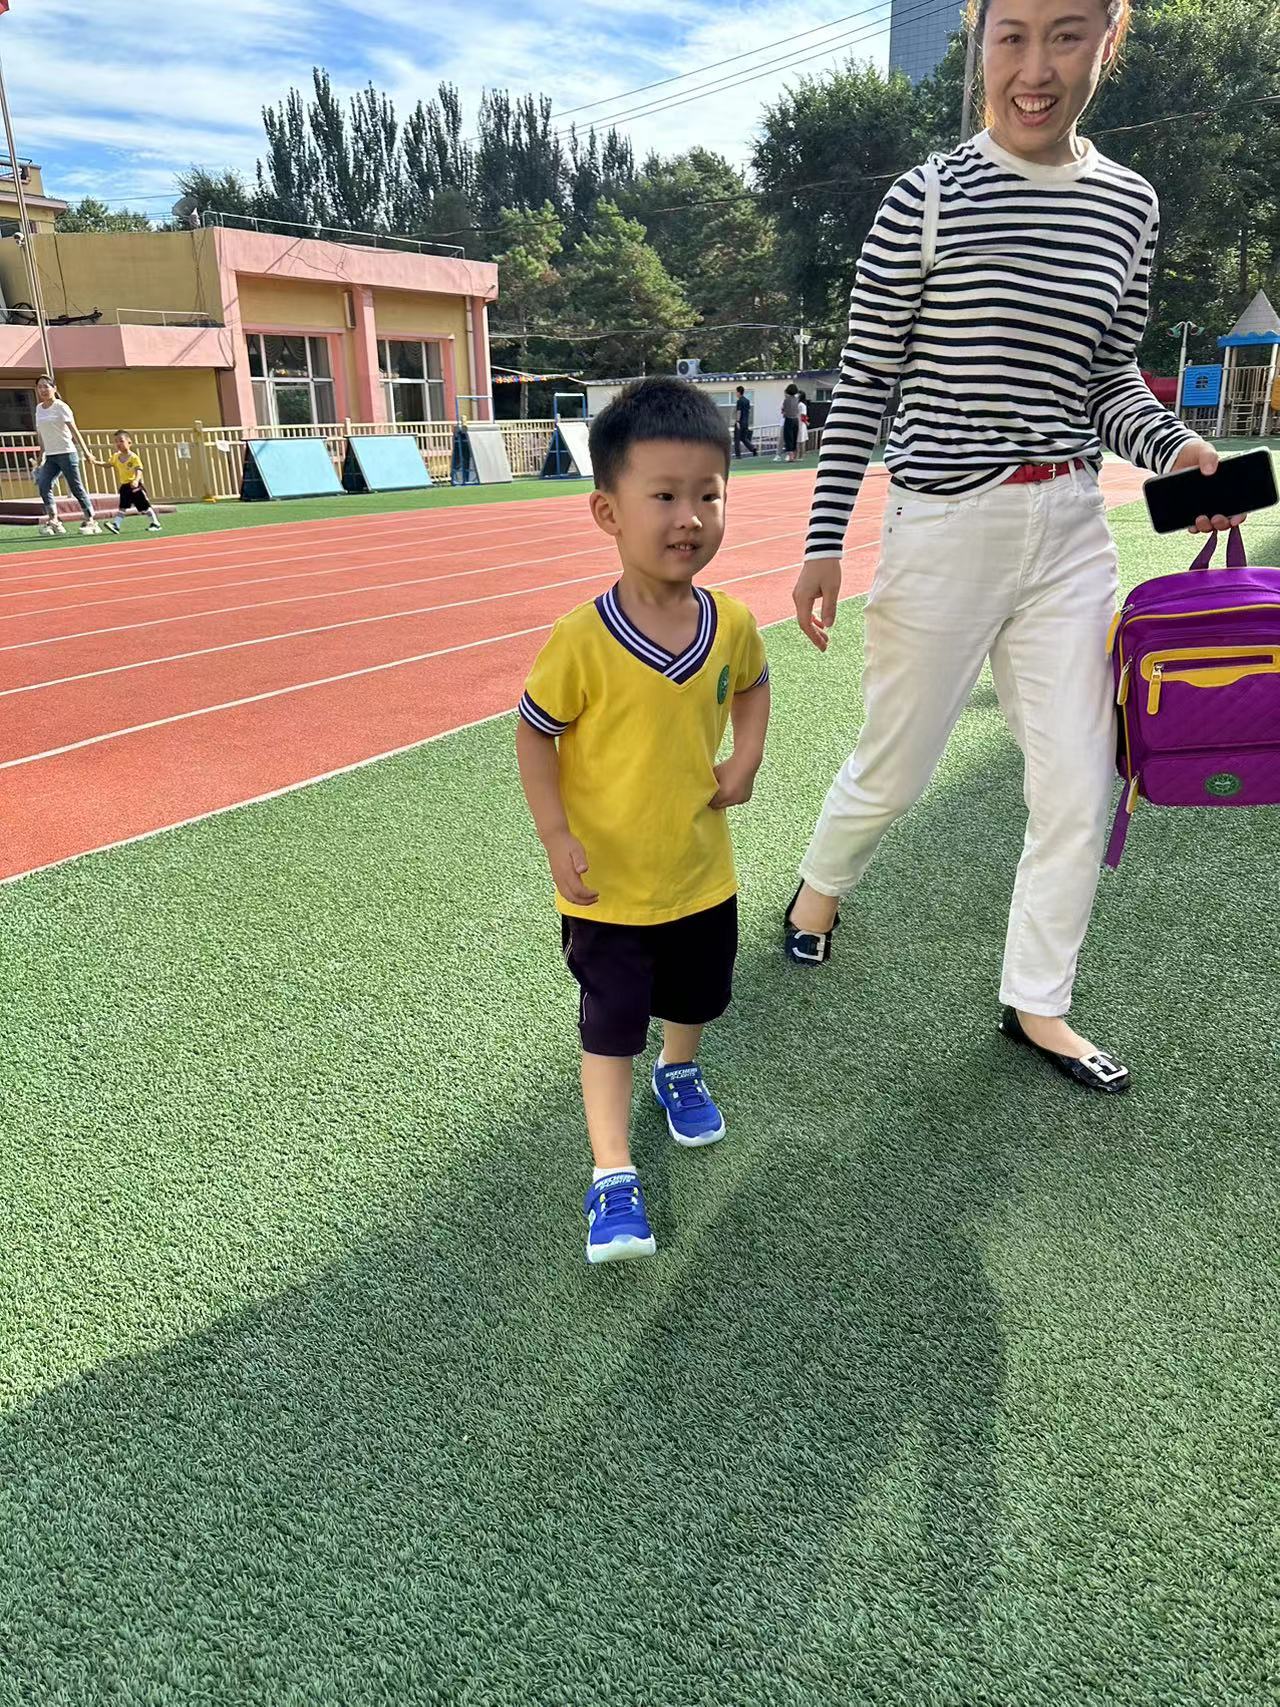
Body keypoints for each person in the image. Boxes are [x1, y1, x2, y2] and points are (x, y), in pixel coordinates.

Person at [785, 0, 1247, 1095]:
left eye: (1066, 34)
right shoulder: (925, 198)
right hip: (944, 525)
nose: (1034, 68)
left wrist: (1176, 449)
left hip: (1070, 529)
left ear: (1108, 43)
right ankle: (816, 891)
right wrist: (822, 541)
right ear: (979, 42)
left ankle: (1037, 1004)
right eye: (1012, 36)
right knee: (896, 766)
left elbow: (1105, 380)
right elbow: (864, 383)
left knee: (1081, 785)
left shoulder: (1130, 204)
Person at [516, 377, 771, 1264]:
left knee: (697, 998)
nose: (689, 517)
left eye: (708, 495)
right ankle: (612, 1173)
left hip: (701, 873)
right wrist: (556, 834)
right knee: (610, 1023)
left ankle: (680, 1067)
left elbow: (754, 684)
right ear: (608, 511)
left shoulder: (730, 622)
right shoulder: (580, 641)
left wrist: (746, 756)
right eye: (663, 495)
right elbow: (535, 732)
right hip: (609, 890)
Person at [32, 376, 102, 536]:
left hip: (67, 453)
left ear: (54, 388)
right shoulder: (39, 409)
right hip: (51, 456)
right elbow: (41, 434)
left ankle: (90, 519)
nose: (43, 390)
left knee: (76, 487)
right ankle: (54, 520)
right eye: (40, 387)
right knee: (44, 485)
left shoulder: (61, 407)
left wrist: (86, 452)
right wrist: (40, 455)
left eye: (46, 386)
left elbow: (74, 430)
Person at [103, 432, 163, 534]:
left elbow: (139, 469)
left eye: (121, 441)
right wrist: (95, 462)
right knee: (122, 506)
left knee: (144, 506)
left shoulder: (133, 457)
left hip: (134, 486)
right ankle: (116, 525)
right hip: (124, 486)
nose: (118, 444)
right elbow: (107, 464)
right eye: (116, 441)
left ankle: (155, 523)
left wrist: (136, 480)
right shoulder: (116, 457)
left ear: (129, 442)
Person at [733, 384, 759, 458]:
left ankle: (738, 455)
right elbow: (748, 411)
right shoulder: (747, 401)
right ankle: (753, 449)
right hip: (746, 422)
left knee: (737, 439)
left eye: (736, 392)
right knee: (744, 438)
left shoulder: (739, 401)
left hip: (740, 422)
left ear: (739, 392)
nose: (736, 394)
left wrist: (737, 421)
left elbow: (739, 411)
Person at [780, 383, 801, 462]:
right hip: (796, 420)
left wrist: (784, 412)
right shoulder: (797, 400)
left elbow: (784, 411)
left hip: (788, 419)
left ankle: (790, 456)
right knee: (794, 437)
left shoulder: (786, 400)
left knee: (788, 438)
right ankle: (795, 455)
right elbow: (797, 410)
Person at [797, 389, 810, 458]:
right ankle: (801, 455)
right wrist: (806, 422)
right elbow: (803, 416)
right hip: (801, 424)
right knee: (802, 440)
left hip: (796, 423)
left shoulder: (797, 405)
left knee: (798, 440)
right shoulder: (802, 405)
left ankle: (798, 455)